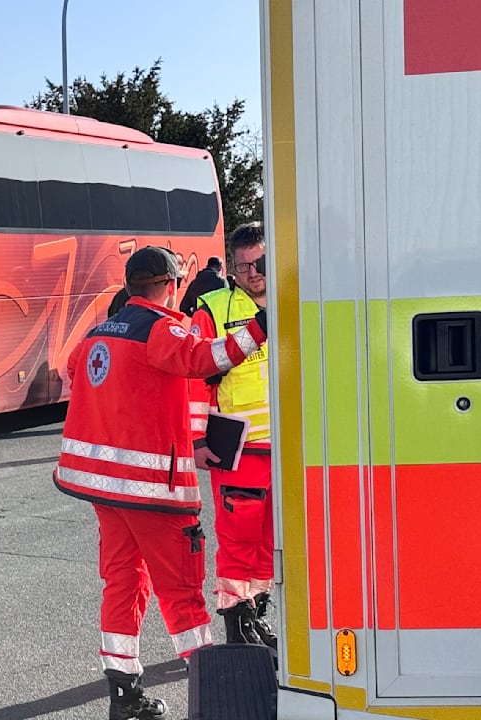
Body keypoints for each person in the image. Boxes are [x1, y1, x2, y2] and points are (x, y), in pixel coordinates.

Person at [54, 245, 269, 720]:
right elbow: (210, 358)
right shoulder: (162, 329)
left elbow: (75, 374)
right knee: (183, 593)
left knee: (122, 583)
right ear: (171, 286)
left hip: (104, 489)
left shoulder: (95, 334)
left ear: (131, 285)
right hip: (153, 491)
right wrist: (262, 327)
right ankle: (219, 698)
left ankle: (124, 694)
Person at [188, 221, 276, 651]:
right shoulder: (214, 308)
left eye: (258, 263)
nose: (252, 273)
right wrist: (198, 440)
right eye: (242, 267)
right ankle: (237, 623)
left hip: (291, 447)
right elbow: (194, 379)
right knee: (238, 540)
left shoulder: (299, 298)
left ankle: (258, 613)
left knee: (270, 542)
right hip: (237, 446)